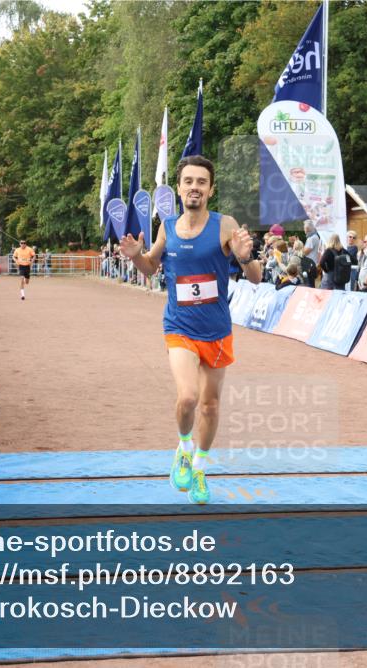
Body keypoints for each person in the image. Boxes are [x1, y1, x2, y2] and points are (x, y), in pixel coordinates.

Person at [118, 155, 260, 504]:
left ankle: (198, 469)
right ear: (179, 188)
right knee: (188, 398)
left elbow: (255, 276)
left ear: (210, 189)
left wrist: (244, 257)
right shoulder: (167, 226)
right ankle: (183, 448)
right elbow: (150, 267)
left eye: (201, 182)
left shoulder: (226, 225)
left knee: (210, 407)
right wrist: (137, 255)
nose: (194, 187)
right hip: (179, 327)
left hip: (217, 330)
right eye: (188, 181)